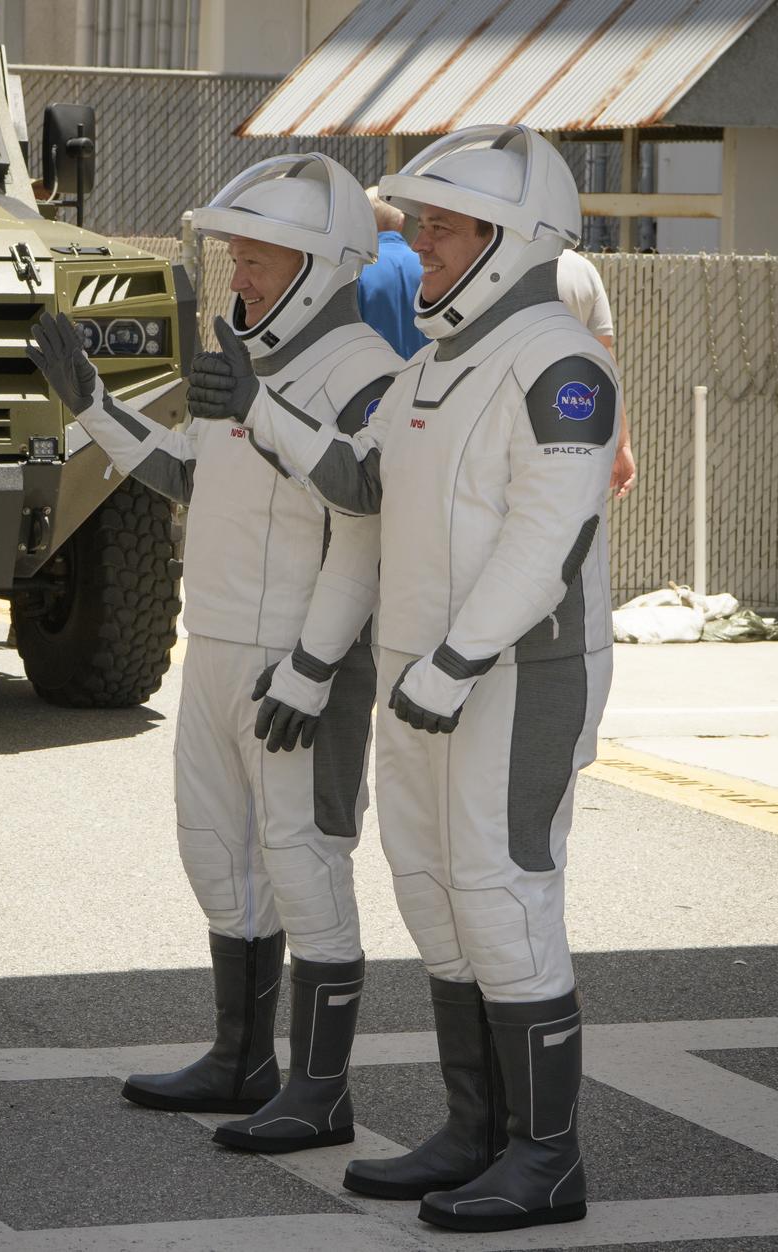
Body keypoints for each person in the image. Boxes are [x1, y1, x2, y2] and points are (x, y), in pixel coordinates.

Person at [187, 123, 619, 1232]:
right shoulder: (432, 363)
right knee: (432, 892)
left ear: (510, 238)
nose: (416, 243)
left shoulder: (560, 364)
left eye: (439, 227)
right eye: (418, 223)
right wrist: (258, 405)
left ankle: (547, 1158)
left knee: (501, 893)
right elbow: (358, 496)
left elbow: (548, 531)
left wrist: (465, 653)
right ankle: (473, 1134)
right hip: (420, 678)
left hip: (516, 676)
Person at [27, 152, 403, 1154]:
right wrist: (94, 406)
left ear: (321, 265)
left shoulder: (366, 372)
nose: (236, 277)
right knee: (217, 855)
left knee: (304, 862)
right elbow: (191, 471)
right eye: (234, 256)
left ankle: (319, 1091)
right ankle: (241, 1061)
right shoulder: (245, 365)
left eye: (257, 259)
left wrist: (316, 665)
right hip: (218, 650)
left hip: (297, 666)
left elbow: (361, 512)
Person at [558, 248, 636, 498]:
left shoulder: (496, 260)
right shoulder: (582, 270)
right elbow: (604, 357)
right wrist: (621, 442)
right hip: (572, 419)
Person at [357, 186, 428, 359]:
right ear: (401, 221)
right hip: (423, 376)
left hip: (373, 377)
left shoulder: (356, 270)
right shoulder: (429, 266)